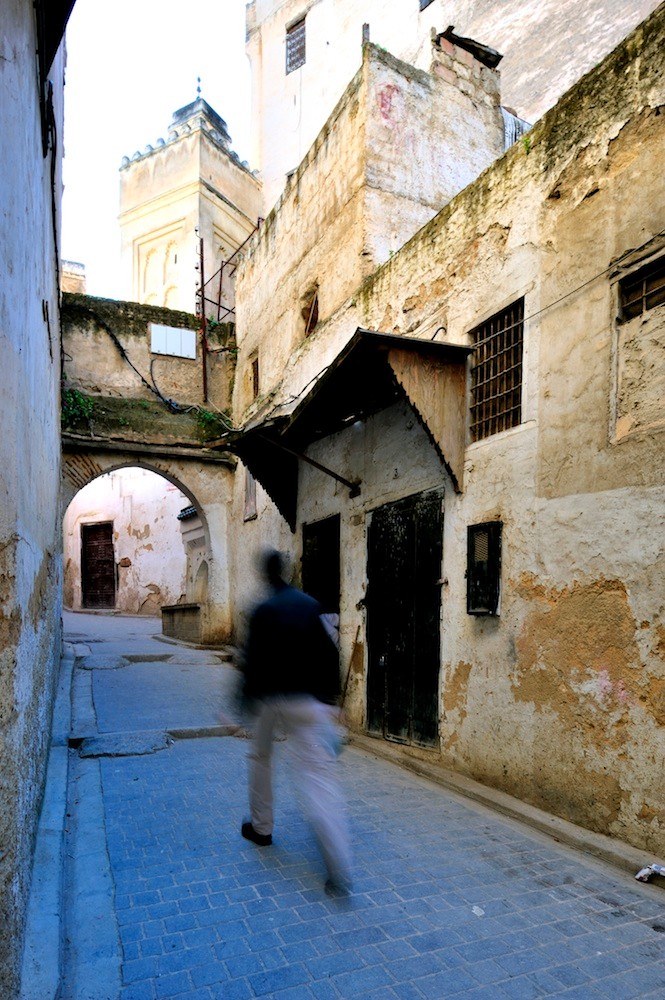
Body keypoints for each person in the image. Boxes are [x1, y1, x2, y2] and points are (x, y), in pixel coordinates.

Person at [238, 548, 353, 894]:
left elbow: (251, 662)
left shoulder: (262, 611)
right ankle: (339, 867)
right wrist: (330, 702)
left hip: (269, 700)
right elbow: (330, 654)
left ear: (264, 575)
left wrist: (242, 704)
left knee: (260, 759)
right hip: (307, 703)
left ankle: (262, 827)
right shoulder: (308, 604)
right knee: (317, 781)